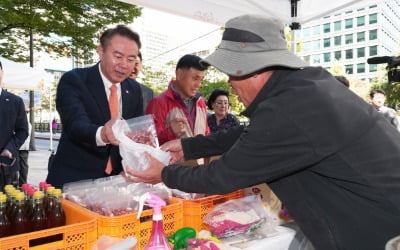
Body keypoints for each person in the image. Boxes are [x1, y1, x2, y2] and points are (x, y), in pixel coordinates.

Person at [129, 15, 400, 250]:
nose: (229, 83)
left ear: (255, 69)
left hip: (380, 230)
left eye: (233, 73)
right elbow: (253, 133)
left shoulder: (290, 107)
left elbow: (224, 175)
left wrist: (164, 174)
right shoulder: (303, 89)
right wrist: (189, 147)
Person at [46, 25, 144, 189]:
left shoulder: (133, 89)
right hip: (74, 180)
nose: (124, 65)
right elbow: (75, 125)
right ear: (101, 51)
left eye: (131, 59)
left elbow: (135, 132)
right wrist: (103, 134)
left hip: (116, 182)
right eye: (118, 56)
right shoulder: (74, 80)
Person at [146, 54, 210, 145]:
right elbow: (149, 142)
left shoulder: (201, 103)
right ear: (179, 74)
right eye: (195, 78)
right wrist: (170, 132)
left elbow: (207, 136)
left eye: (201, 80)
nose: (198, 84)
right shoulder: (158, 103)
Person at [0, 59, 29, 190]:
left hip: (6, 168)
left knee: (7, 207)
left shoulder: (15, 101)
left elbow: (23, 131)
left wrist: (9, 149)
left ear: (2, 73)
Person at [17, 111, 32, 186]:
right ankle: (23, 183)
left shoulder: (21, 123)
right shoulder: (28, 123)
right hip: (25, 147)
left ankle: (18, 183)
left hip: (18, 147)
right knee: (23, 165)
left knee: (18, 165)